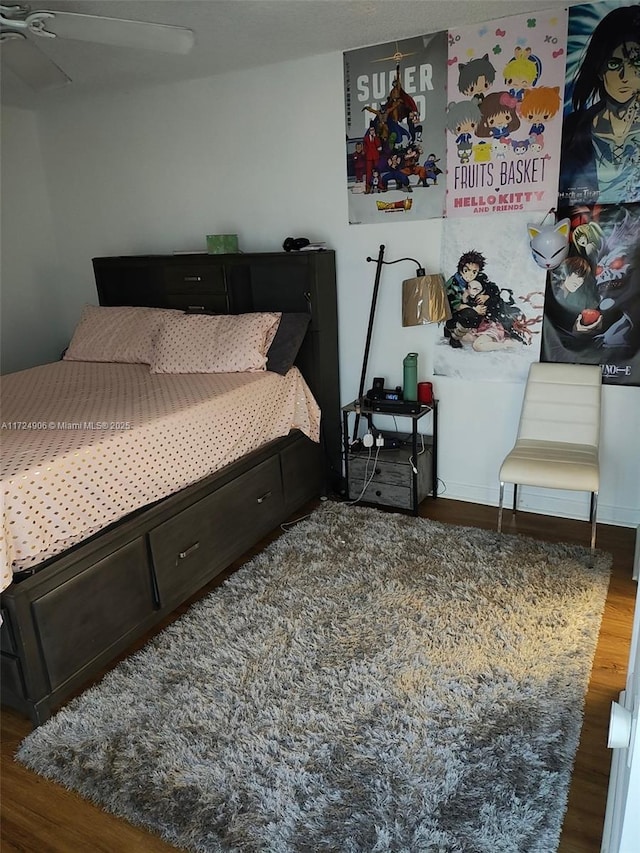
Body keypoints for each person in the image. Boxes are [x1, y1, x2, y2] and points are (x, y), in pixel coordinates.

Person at [559, 5, 640, 204]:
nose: (624, 76)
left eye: (635, 63)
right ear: (599, 69)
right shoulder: (573, 129)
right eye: (614, 64)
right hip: (584, 232)